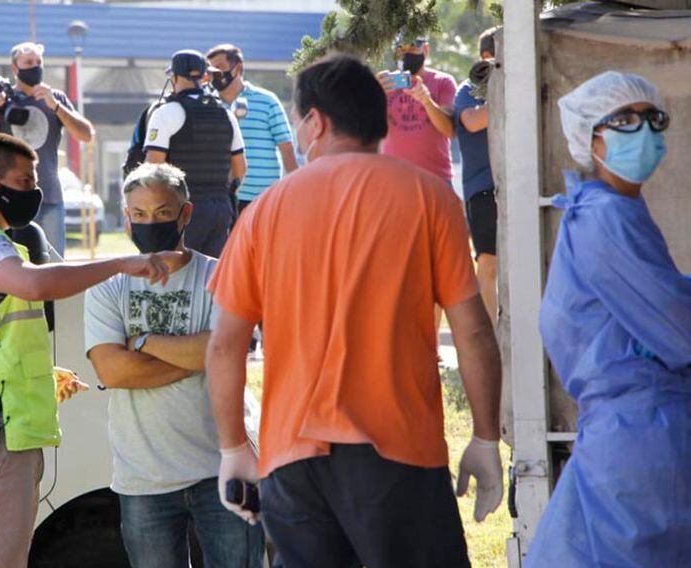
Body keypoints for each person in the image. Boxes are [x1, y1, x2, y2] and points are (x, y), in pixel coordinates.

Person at [206, 55, 504, 568]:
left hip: (292, 458)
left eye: (299, 120)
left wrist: (234, 448)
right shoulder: (431, 198)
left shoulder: (263, 212)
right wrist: (484, 436)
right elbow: (474, 331)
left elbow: (225, 344)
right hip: (400, 450)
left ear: (315, 121)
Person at [0, 132, 178, 568]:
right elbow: (34, 283)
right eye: (26, 181)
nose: (34, 192)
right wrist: (122, 263)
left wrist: (39, 376)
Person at [525, 72, 691, 567]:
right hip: (640, 437)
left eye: (652, 119)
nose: (642, 130)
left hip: (631, 431)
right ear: (589, 137)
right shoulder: (603, 217)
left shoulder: (615, 211)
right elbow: (676, 324)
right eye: (623, 120)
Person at [85, 162, 265, 568]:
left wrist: (144, 342)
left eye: (163, 213)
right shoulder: (107, 284)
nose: (151, 223)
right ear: (126, 218)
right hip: (142, 477)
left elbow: (230, 350)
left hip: (221, 465)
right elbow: (114, 372)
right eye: (140, 214)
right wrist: (204, 357)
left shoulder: (221, 276)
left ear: (185, 214)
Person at [0, 41, 95, 255]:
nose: (35, 67)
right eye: (28, 62)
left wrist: (57, 107)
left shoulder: (54, 97)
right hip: (7, 199)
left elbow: (86, 135)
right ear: (15, 68)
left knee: (54, 263)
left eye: (38, 62)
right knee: (10, 262)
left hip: (48, 196)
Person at [143, 49, 247, 258]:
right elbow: (240, 169)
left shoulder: (165, 113)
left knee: (175, 276)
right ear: (204, 76)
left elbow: (152, 169)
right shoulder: (225, 113)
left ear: (175, 77)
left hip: (183, 211)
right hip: (220, 208)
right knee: (211, 278)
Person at [206, 44, 297, 213]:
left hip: (264, 198)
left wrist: (296, 190)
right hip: (222, 199)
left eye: (220, 68)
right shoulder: (206, 104)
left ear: (238, 68)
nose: (215, 74)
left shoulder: (267, 101)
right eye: (211, 70)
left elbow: (286, 147)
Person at [454, 28, 498, 322]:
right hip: (483, 189)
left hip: (517, 187)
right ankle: (493, 337)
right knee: (488, 264)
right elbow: (471, 121)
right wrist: (502, 93)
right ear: (486, 57)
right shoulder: (468, 89)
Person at [377, 37, 458, 185]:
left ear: (425, 50)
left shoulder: (443, 82)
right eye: (402, 49)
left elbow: (450, 130)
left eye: (413, 48)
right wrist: (373, 96)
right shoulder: (386, 84)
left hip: (436, 179)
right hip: (394, 180)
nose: (407, 54)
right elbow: (370, 130)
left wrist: (427, 101)